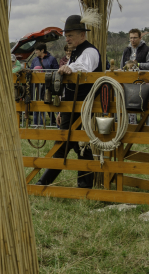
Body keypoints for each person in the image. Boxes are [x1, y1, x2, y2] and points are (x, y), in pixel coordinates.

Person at [36, 14, 103, 189]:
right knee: (74, 145)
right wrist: (61, 110)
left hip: (83, 107)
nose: (68, 38)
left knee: (75, 146)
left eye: (71, 35)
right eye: (67, 35)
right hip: (71, 106)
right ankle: (80, 186)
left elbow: (83, 66)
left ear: (82, 35)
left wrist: (69, 67)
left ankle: (45, 183)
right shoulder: (75, 53)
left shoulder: (89, 51)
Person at [29, 43, 58, 127]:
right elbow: (31, 69)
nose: (35, 52)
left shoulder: (51, 59)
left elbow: (56, 70)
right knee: (37, 101)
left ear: (42, 50)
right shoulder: (35, 60)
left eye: (37, 50)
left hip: (48, 84)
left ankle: (53, 120)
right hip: (37, 85)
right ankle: (37, 123)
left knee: (47, 101)